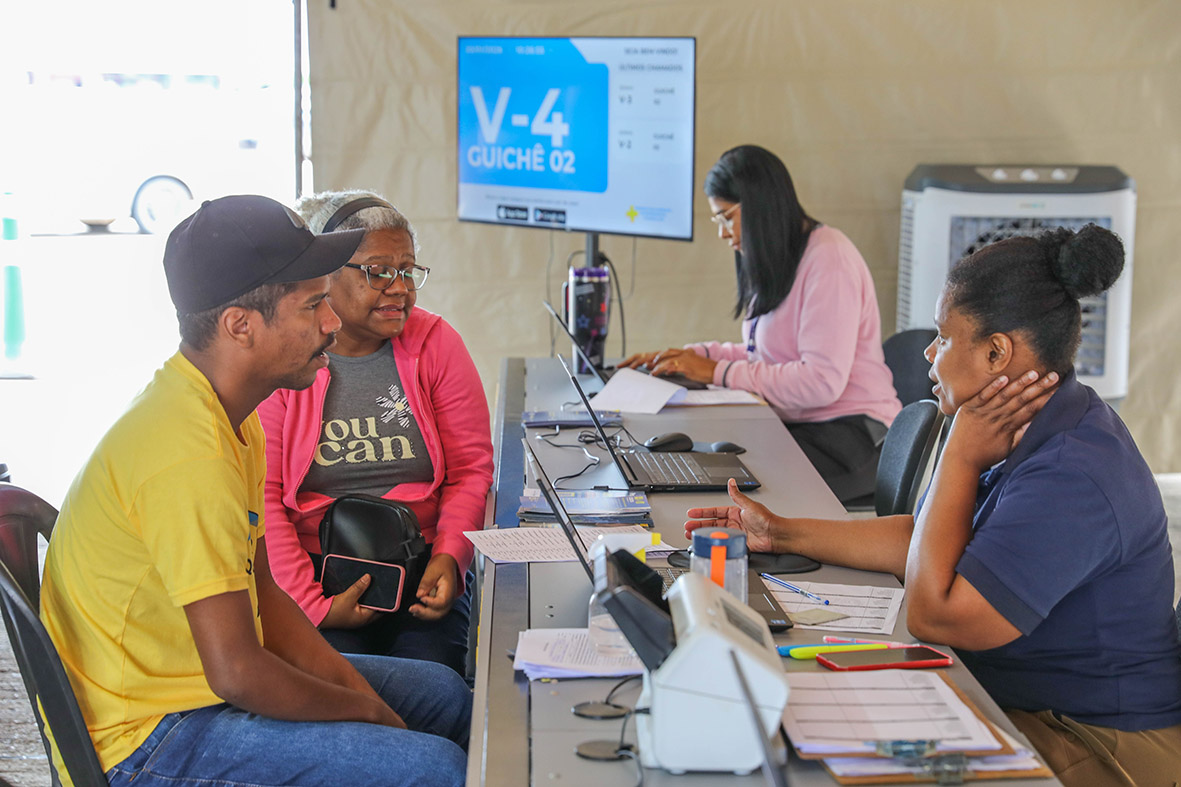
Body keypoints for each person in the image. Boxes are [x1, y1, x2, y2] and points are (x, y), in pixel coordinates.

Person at [685, 224, 1181, 786]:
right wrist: (780, 533)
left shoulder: (1073, 472)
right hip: (1026, 701)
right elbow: (926, 541)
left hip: (1101, 740)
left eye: (943, 337)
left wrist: (961, 457)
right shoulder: (1027, 421)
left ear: (997, 352)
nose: (927, 351)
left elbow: (934, 611)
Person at [39, 196, 472, 787]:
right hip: (147, 739)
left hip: (197, 685)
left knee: (443, 696)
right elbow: (238, 672)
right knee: (436, 769)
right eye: (314, 305)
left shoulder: (233, 416)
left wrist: (359, 698)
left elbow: (267, 599)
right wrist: (366, 712)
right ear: (240, 324)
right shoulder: (186, 451)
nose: (332, 323)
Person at [258, 190, 493, 676]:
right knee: (343, 692)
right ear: (327, 276)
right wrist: (312, 604)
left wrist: (451, 558)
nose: (400, 288)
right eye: (378, 272)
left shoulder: (436, 343)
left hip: (422, 574)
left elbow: (471, 469)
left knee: (434, 685)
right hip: (317, 578)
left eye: (408, 270)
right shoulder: (288, 358)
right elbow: (264, 497)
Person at [621, 145, 901, 503]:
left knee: (735, 487)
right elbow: (767, 354)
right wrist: (692, 356)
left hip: (854, 435)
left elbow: (820, 383)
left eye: (726, 217)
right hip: (806, 424)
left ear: (758, 205)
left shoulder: (829, 259)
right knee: (715, 466)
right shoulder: (781, 256)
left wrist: (716, 371)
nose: (722, 233)